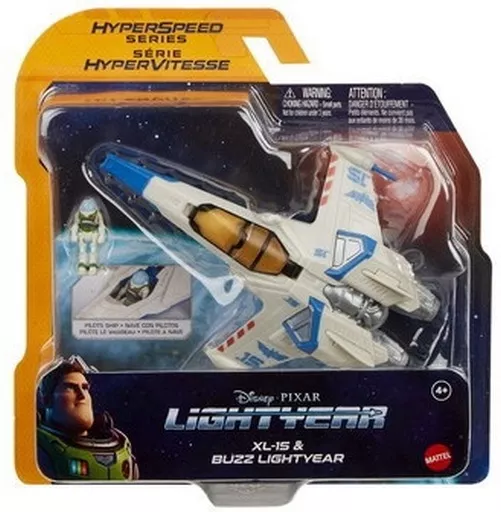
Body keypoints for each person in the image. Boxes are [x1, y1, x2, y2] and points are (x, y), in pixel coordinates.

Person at [37, 357, 139, 480]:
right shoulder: (39, 451)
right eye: (70, 388)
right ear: (47, 399)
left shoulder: (121, 447)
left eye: (85, 388)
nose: (82, 395)